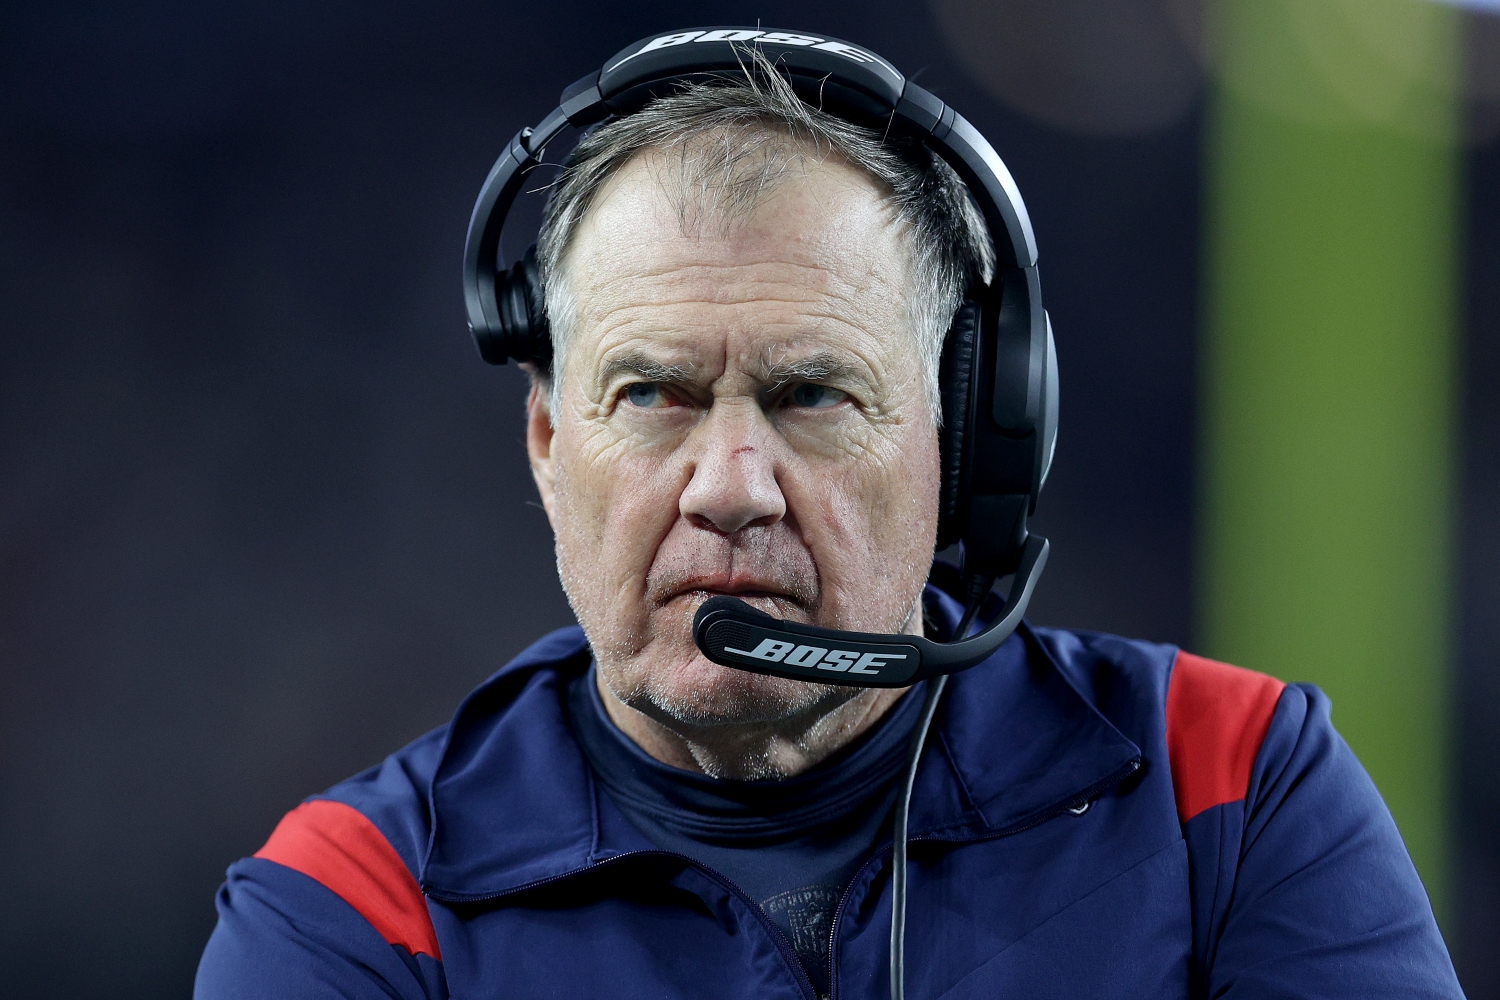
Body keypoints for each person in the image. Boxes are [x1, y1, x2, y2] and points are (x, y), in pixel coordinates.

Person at [195, 30, 1464, 1000]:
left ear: (958, 440)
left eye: (811, 394)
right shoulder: (355, 904)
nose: (731, 486)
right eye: (652, 395)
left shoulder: (1235, 781)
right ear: (545, 438)